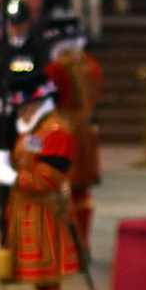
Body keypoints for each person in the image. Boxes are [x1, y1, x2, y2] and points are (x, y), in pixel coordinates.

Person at [0, 68, 81, 290]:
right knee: (44, 287)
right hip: (30, 215)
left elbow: (49, 178)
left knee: (49, 284)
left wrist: (12, 176)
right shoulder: (37, 128)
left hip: (45, 216)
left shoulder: (54, 131)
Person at [46, 26, 105, 242]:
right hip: (85, 131)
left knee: (59, 188)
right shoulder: (92, 66)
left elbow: (49, 100)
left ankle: (66, 244)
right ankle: (83, 241)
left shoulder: (55, 69)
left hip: (61, 130)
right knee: (82, 191)